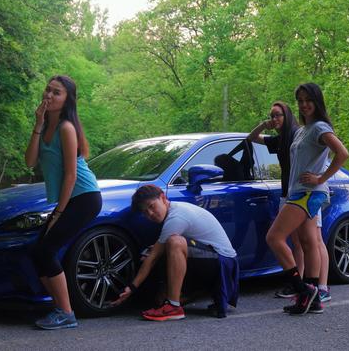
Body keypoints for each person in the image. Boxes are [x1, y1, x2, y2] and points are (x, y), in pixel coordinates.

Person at [24, 75, 101, 330]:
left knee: (46, 250)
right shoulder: (46, 126)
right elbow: (30, 161)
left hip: (85, 198)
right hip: (72, 199)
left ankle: (66, 313)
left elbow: (71, 175)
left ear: (67, 100)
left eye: (56, 92)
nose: (49, 95)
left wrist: (58, 211)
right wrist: (37, 123)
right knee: (38, 252)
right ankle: (60, 307)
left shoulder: (67, 128)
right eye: (48, 90)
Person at [265, 83, 349, 315]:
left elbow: (343, 153)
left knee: (274, 237)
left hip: (308, 192)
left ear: (317, 101)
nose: (304, 105)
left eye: (308, 100)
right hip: (299, 192)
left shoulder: (319, 127)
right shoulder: (303, 130)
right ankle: (312, 299)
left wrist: (321, 177)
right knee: (309, 242)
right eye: (300, 100)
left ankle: (302, 290)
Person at [112, 185, 239, 321]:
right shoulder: (172, 211)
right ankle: (181, 297)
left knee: (174, 242)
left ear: (162, 197)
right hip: (210, 258)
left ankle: (173, 307)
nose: (150, 214)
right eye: (145, 212)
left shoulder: (176, 217)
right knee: (156, 255)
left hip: (223, 263)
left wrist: (131, 287)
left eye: (151, 206)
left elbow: (154, 258)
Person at [247, 102, 331, 302]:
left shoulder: (300, 134)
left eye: (278, 115)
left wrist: (320, 179)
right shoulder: (281, 139)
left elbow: (328, 154)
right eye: (272, 115)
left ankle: (322, 287)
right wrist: (263, 125)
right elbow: (251, 138)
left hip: (308, 193)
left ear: (288, 116)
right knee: (297, 242)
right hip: (290, 194)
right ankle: (302, 286)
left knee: (314, 241)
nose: (274, 119)